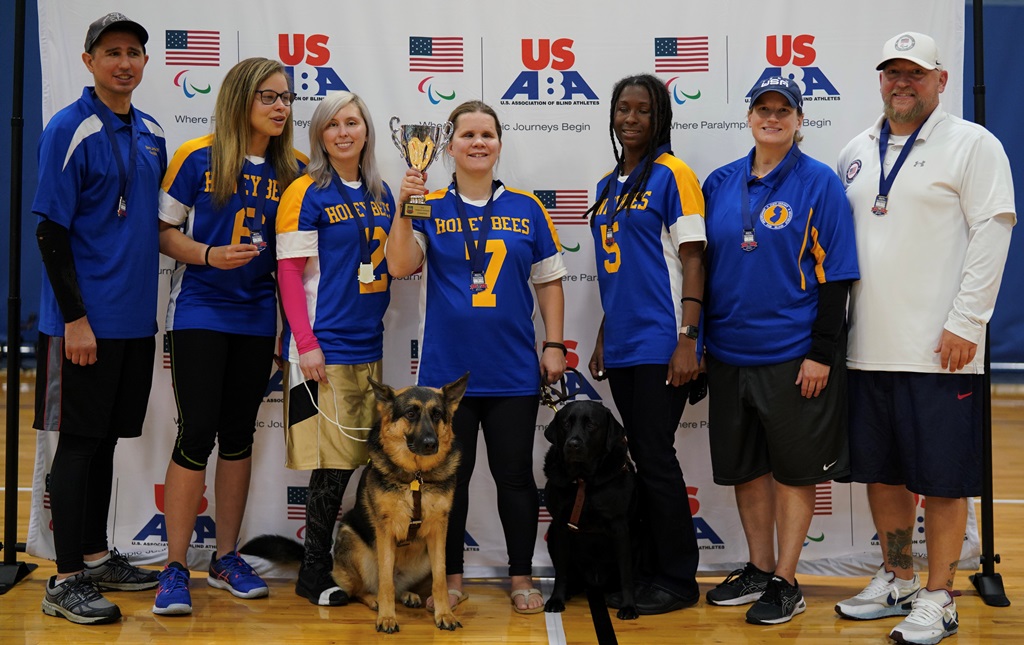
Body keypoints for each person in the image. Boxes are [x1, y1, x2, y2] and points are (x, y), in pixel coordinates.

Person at [834, 32, 1015, 645]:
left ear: (940, 79)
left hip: (942, 351)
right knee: (883, 476)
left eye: (914, 73)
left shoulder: (973, 144)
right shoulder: (855, 150)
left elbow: (993, 231)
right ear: (879, 80)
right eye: (891, 73)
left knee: (940, 479)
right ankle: (899, 578)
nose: (901, 83)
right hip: (868, 348)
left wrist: (967, 322)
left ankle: (941, 595)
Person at [386, 100, 567, 614]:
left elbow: (551, 280)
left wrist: (553, 343)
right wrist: (404, 205)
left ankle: (520, 576)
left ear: (499, 143)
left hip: (511, 371)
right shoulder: (431, 203)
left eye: (487, 133)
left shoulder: (528, 207)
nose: (478, 142)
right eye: (467, 134)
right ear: (449, 145)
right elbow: (400, 265)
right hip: (446, 379)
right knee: (449, 482)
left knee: (514, 477)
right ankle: (451, 577)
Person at [700, 76, 859, 625]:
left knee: (794, 472)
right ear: (749, 117)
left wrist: (821, 351)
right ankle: (760, 566)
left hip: (794, 356)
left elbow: (836, 277)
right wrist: (698, 342)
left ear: (798, 120)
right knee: (746, 469)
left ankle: (787, 580)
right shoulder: (720, 182)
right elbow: (704, 269)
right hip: (727, 353)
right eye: (762, 109)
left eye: (782, 111)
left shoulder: (819, 183)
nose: (772, 118)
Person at [152, 57, 305, 615]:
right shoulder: (197, 156)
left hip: (257, 318)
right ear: (241, 98)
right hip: (200, 312)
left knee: (239, 435)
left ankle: (225, 556)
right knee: (196, 435)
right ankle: (173, 566)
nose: (281, 107)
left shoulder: (297, 170)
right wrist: (209, 255)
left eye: (286, 98)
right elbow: (163, 232)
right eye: (269, 96)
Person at [32, 12, 166, 625]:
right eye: (112, 51)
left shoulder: (153, 132)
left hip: (134, 322)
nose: (125, 62)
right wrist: (75, 320)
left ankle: (92, 554)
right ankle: (63, 580)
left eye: (134, 52)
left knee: (107, 442)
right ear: (88, 61)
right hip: (83, 324)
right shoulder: (69, 129)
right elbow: (51, 233)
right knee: (79, 446)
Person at [586, 74, 705, 615]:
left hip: (664, 340)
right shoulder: (609, 185)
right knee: (642, 455)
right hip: (626, 340)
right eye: (622, 109)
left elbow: (694, 259)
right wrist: (605, 333)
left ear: (661, 118)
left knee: (655, 457)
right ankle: (650, 570)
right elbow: (621, 270)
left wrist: (689, 338)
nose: (630, 119)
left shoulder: (673, 174)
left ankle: (678, 579)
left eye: (642, 110)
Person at [275, 90, 395, 606]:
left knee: (364, 462)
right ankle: (311, 572)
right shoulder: (305, 191)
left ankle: (347, 564)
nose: (344, 132)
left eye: (353, 122)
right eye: (333, 125)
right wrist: (306, 344)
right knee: (331, 466)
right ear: (319, 135)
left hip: (370, 348)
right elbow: (288, 272)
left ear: (366, 130)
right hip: (324, 350)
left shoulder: (383, 192)